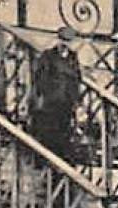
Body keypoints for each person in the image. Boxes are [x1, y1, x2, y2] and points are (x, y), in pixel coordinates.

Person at [28, 27, 83, 165]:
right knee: (49, 134)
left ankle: (59, 164)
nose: (65, 44)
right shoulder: (48, 56)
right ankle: (45, 162)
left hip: (67, 103)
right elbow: (39, 78)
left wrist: (77, 100)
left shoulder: (73, 57)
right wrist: (40, 96)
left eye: (68, 41)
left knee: (64, 133)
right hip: (50, 103)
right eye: (62, 40)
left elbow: (77, 79)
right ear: (57, 40)